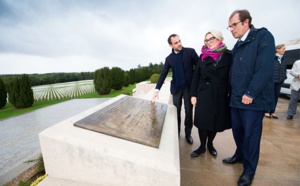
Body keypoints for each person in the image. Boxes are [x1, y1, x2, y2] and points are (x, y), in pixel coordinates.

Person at [223, 9, 275, 186]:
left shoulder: (263, 37)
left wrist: (251, 92)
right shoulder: (237, 46)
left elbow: (266, 68)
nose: (231, 29)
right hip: (236, 99)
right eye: (229, 26)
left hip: (252, 100)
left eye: (234, 25)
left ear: (246, 22)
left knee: (251, 137)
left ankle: (249, 171)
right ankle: (239, 155)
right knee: (238, 132)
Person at [189, 29, 231, 158]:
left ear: (219, 38)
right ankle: (202, 146)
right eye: (206, 40)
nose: (209, 42)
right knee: (203, 122)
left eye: (211, 38)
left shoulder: (229, 55)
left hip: (220, 94)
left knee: (215, 122)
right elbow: (196, 76)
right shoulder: (203, 56)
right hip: (204, 93)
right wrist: (193, 94)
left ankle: (210, 144)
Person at [152, 34, 198, 144]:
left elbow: (200, 67)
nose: (179, 44)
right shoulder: (169, 59)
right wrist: (156, 89)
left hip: (188, 88)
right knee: (176, 112)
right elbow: (163, 74)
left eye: (179, 41)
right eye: (176, 43)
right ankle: (176, 133)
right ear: (170, 45)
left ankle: (188, 134)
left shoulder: (190, 52)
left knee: (188, 113)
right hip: (176, 89)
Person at [265, 44, 287, 119]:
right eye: (283, 48)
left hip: (279, 81)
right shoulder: (271, 58)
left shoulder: (283, 58)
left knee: (276, 96)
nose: (285, 50)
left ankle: (272, 111)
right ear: (277, 49)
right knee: (269, 96)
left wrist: (284, 77)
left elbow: (284, 69)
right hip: (271, 80)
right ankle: (267, 111)